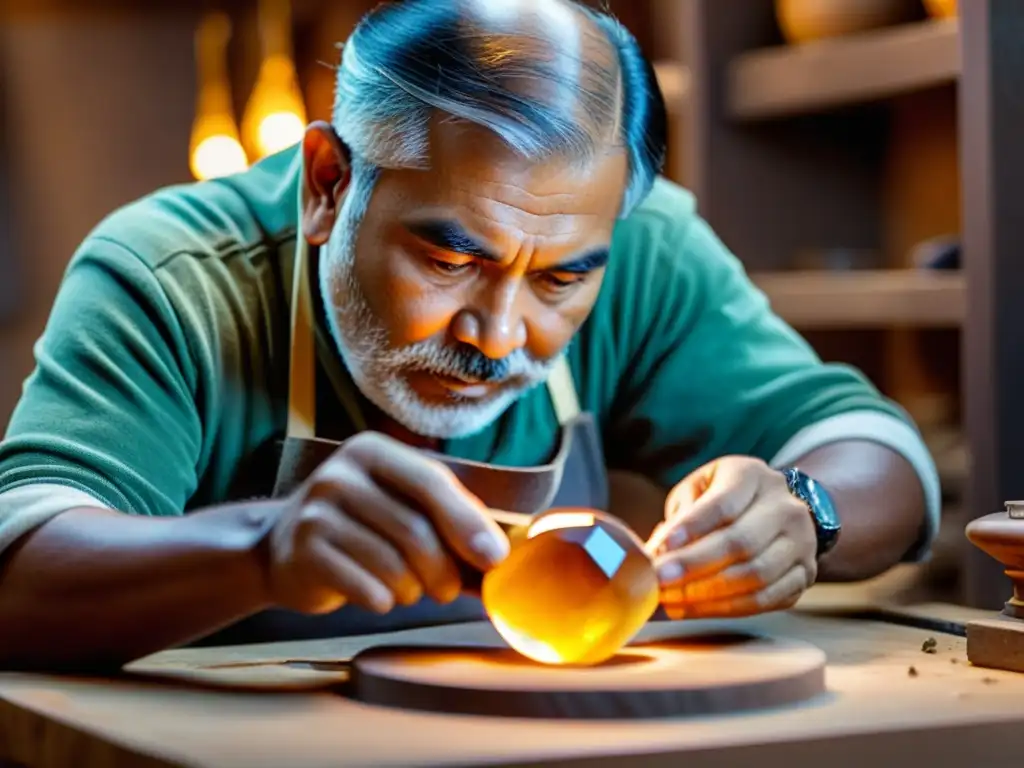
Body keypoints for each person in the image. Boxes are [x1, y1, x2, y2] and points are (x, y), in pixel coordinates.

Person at [0, 0, 938, 672]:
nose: (497, 336)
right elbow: (22, 573)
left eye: (561, 280)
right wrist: (265, 546)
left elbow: (880, 450)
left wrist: (802, 511)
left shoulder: (642, 250)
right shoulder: (171, 276)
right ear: (329, 183)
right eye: (450, 261)